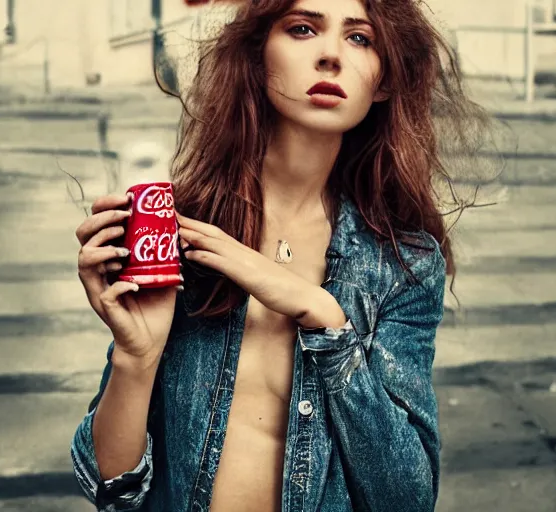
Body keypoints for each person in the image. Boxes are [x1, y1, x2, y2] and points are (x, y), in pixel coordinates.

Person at [71, 0, 492, 510]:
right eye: (302, 29)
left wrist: (328, 322)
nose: (331, 55)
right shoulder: (179, 235)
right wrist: (135, 359)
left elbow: (406, 499)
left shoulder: (400, 263)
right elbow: (112, 490)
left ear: (383, 82)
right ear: (257, 57)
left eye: (360, 38)